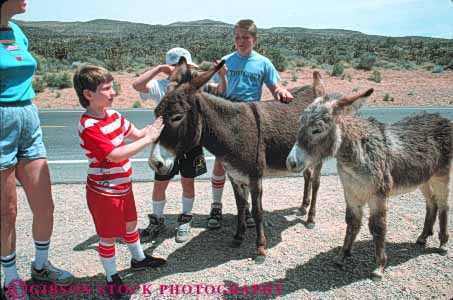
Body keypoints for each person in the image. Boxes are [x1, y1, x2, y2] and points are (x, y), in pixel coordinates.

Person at [0, 1, 74, 299]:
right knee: (7, 211)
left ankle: (41, 266)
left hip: (28, 118)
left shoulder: (17, 31)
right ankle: (10, 277)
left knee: (45, 205)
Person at [73, 65, 166, 299]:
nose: (113, 92)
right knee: (107, 236)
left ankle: (139, 259)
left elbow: (136, 134)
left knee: (130, 225)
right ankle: (111, 277)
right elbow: (115, 154)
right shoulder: (88, 126)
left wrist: (154, 128)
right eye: (107, 88)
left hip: (123, 186)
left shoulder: (114, 115)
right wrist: (149, 140)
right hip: (104, 191)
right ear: (88, 95)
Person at [206, 19, 294, 229]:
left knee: (245, 164)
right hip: (226, 114)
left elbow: (275, 89)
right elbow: (219, 90)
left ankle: (244, 208)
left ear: (254, 39)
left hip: (249, 117)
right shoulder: (226, 60)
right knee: (221, 162)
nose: (241, 41)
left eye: (246, 37)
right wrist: (217, 79)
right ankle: (216, 206)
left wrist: (281, 91)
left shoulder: (263, 63)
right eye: (237, 37)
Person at [132, 47, 227, 242]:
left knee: (188, 182)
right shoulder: (159, 85)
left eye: (182, 66)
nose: (179, 70)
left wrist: (222, 76)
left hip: (190, 143)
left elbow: (220, 91)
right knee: (160, 184)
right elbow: (137, 85)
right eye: (174, 66)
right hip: (166, 143)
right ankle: (157, 219)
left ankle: (185, 219)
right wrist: (159, 68)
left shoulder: (195, 86)